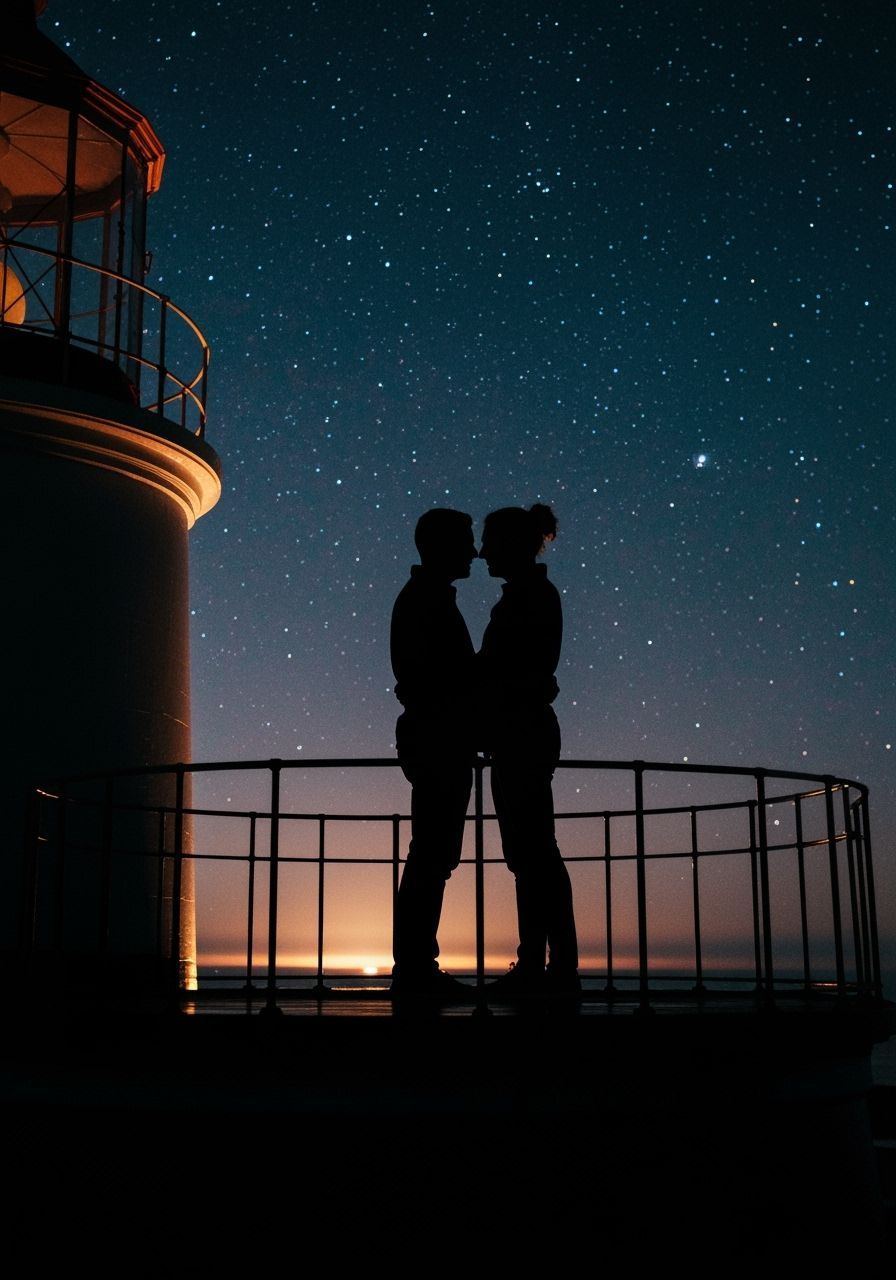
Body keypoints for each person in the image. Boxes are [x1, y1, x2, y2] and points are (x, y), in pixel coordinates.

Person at [477, 503, 581, 999]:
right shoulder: (529, 594)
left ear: (512, 544)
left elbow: (510, 670)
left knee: (534, 853)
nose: (481, 552)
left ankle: (549, 969)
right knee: (533, 854)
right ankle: (546, 965)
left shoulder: (530, 597)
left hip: (521, 735)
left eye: (489, 542)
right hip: (521, 733)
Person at [389, 508, 478, 1001]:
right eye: (466, 542)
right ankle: (416, 968)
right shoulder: (427, 601)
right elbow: (439, 679)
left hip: (436, 738)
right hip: (439, 741)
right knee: (431, 856)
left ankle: (417, 965)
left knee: (431, 855)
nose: (475, 552)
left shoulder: (426, 598)